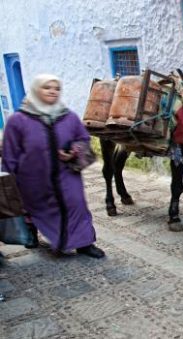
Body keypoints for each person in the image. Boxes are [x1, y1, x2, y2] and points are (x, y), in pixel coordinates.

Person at [1, 74, 105, 258]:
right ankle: (31, 234)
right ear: (36, 90)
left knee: (76, 205)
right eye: (47, 87)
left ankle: (84, 243)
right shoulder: (18, 121)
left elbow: (83, 138)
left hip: (66, 174)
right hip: (32, 177)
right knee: (33, 208)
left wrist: (74, 152)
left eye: (56, 88)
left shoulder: (69, 117)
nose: (52, 91)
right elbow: (10, 153)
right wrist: (9, 182)